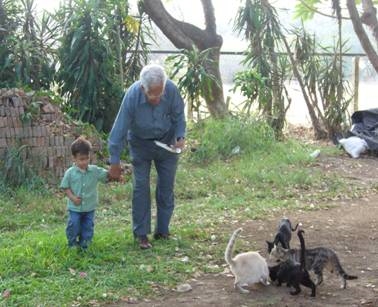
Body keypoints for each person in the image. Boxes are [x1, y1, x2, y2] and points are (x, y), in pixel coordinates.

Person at [108, 64, 186, 249]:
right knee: (141, 187)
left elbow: (179, 116)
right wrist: (114, 161)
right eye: (153, 95)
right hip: (140, 143)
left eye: (161, 94)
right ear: (143, 88)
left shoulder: (171, 90)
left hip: (167, 143)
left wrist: (180, 136)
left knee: (166, 186)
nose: (158, 99)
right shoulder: (132, 96)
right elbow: (119, 129)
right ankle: (141, 234)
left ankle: (163, 230)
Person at [60, 136, 109, 249]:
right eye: (81, 159)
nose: (84, 162)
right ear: (74, 158)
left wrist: (115, 174)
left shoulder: (94, 171)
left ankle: (85, 244)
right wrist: (72, 198)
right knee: (74, 224)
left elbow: (106, 175)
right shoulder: (70, 173)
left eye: (87, 158)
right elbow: (65, 187)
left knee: (88, 226)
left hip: (89, 207)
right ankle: (72, 243)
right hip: (75, 208)